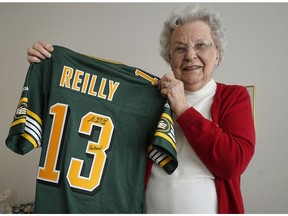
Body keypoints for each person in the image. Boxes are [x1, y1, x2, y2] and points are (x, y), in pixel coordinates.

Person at [26, 4, 255, 214]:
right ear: (169, 58)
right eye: (179, 49)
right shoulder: (150, 98)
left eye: (201, 45)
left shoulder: (233, 96)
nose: (190, 55)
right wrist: (48, 65)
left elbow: (232, 163)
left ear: (218, 53)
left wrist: (182, 108)